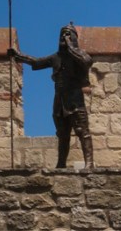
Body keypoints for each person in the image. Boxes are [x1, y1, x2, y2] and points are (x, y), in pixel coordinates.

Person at [8, 22, 94, 169]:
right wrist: (18, 56)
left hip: (75, 101)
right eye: (62, 34)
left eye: (68, 34)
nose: (64, 37)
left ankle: (89, 163)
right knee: (62, 134)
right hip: (59, 102)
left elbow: (87, 62)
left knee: (82, 131)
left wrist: (71, 47)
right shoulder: (56, 57)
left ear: (74, 38)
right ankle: (61, 164)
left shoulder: (79, 55)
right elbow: (37, 62)